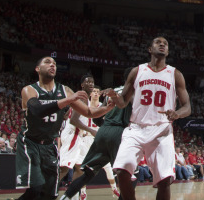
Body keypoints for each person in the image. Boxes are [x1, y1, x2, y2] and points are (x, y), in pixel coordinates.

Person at [15, 57, 113, 200]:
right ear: (37, 69)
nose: (52, 65)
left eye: (54, 63)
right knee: (35, 189)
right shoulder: (29, 90)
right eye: (47, 62)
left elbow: (89, 112)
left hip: (50, 145)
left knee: (50, 194)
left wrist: (109, 107)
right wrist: (68, 100)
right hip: (30, 142)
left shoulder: (64, 90)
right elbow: (37, 110)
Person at [107, 36, 191, 200]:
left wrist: (177, 114)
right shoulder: (137, 71)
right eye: (158, 42)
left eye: (165, 43)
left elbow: (187, 107)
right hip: (136, 127)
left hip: (161, 129)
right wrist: (115, 98)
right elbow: (123, 102)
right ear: (149, 49)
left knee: (164, 180)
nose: (162, 44)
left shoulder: (175, 74)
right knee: (122, 171)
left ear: (168, 51)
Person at [59, 70, 134, 200]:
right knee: (129, 175)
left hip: (103, 131)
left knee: (86, 172)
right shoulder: (134, 91)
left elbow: (96, 119)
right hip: (117, 132)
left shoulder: (112, 91)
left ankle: (66, 197)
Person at [59, 73, 98, 192]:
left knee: (80, 168)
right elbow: (74, 120)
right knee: (64, 169)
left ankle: (72, 192)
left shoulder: (82, 97)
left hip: (75, 134)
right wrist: (91, 130)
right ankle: (47, 192)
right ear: (82, 85)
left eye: (92, 82)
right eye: (88, 82)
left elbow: (67, 115)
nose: (90, 84)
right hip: (74, 134)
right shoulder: (82, 98)